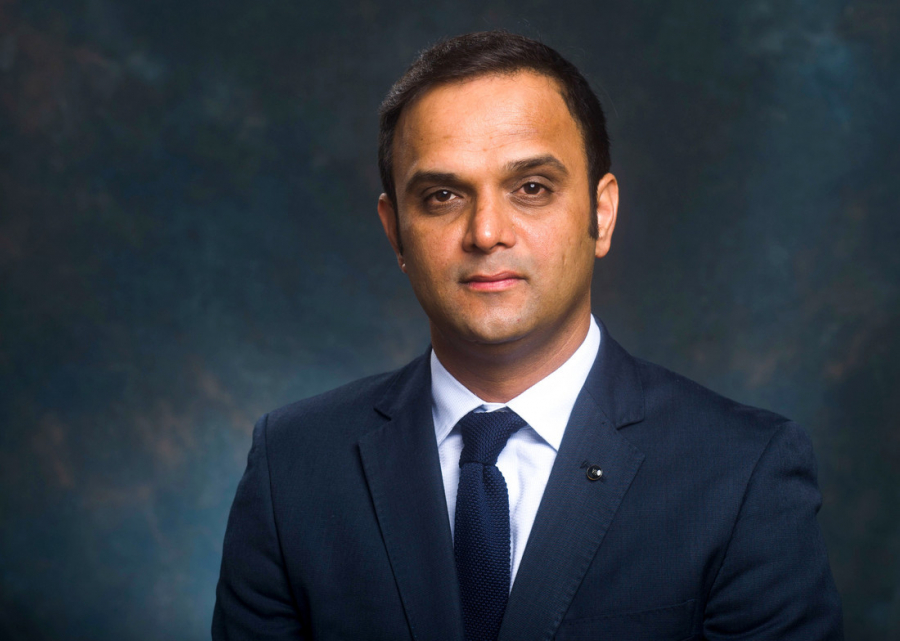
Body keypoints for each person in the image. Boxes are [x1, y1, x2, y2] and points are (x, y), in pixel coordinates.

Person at [212, 31, 843, 641]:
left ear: (601, 214)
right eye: (442, 195)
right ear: (395, 231)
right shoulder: (292, 468)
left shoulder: (741, 471)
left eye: (532, 188)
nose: (487, 232)